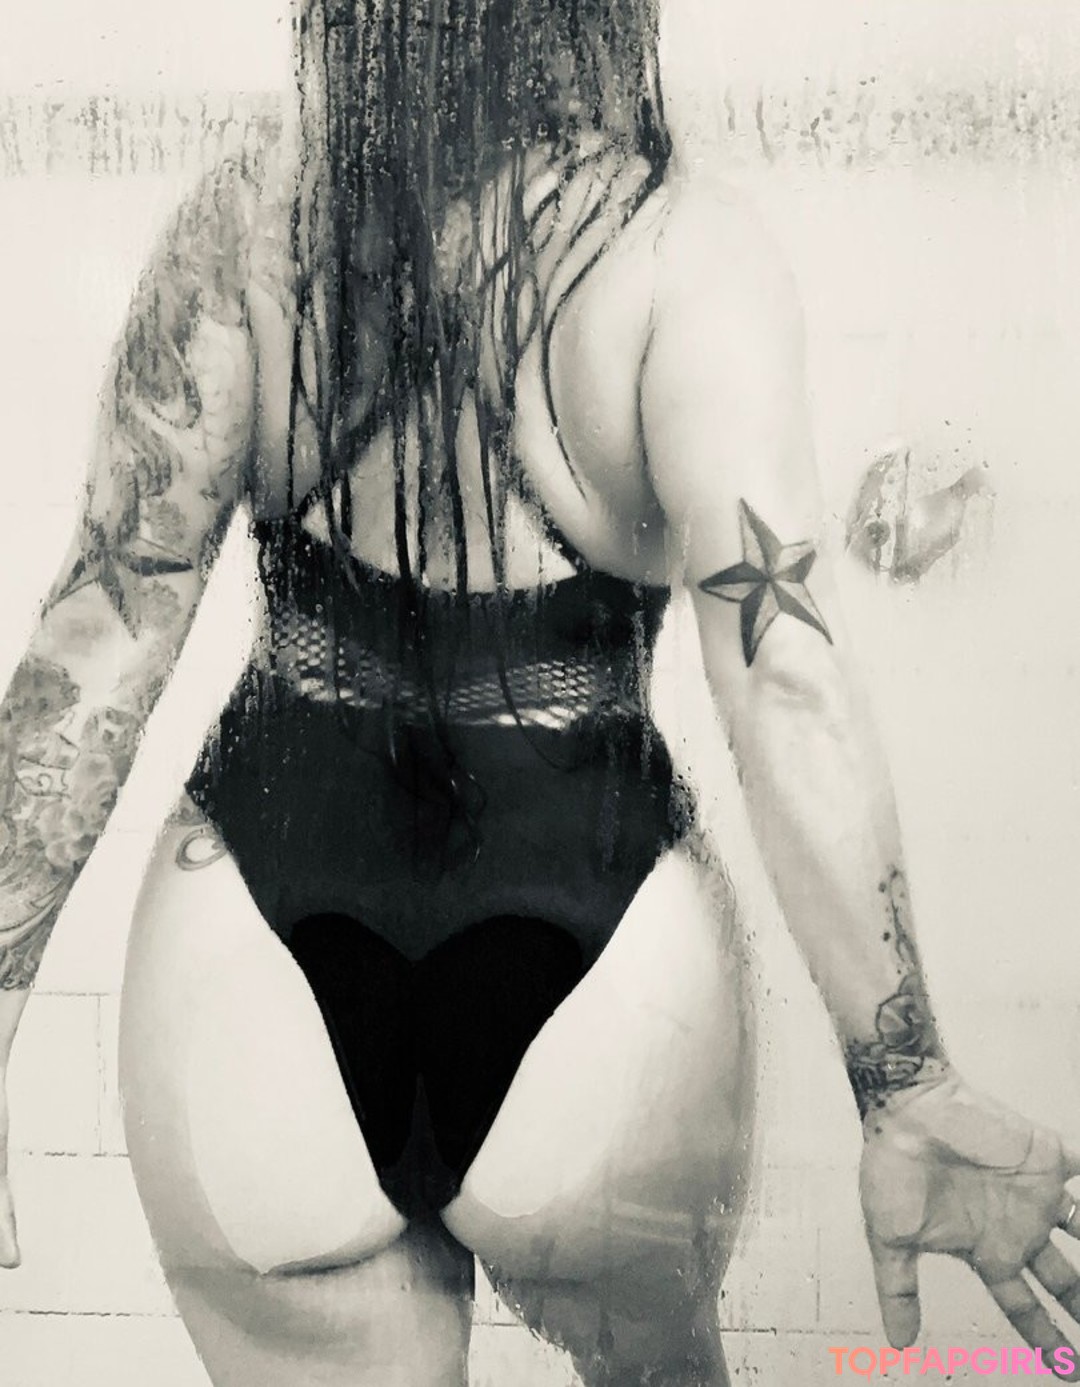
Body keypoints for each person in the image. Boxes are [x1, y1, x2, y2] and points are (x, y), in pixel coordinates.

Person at [1, 2, 1079, 1384]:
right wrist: (905, 1079)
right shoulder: (680, 252)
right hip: (608, 974)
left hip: (250, 973)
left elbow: (103, 631)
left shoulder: (251, 224)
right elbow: (783, 675)